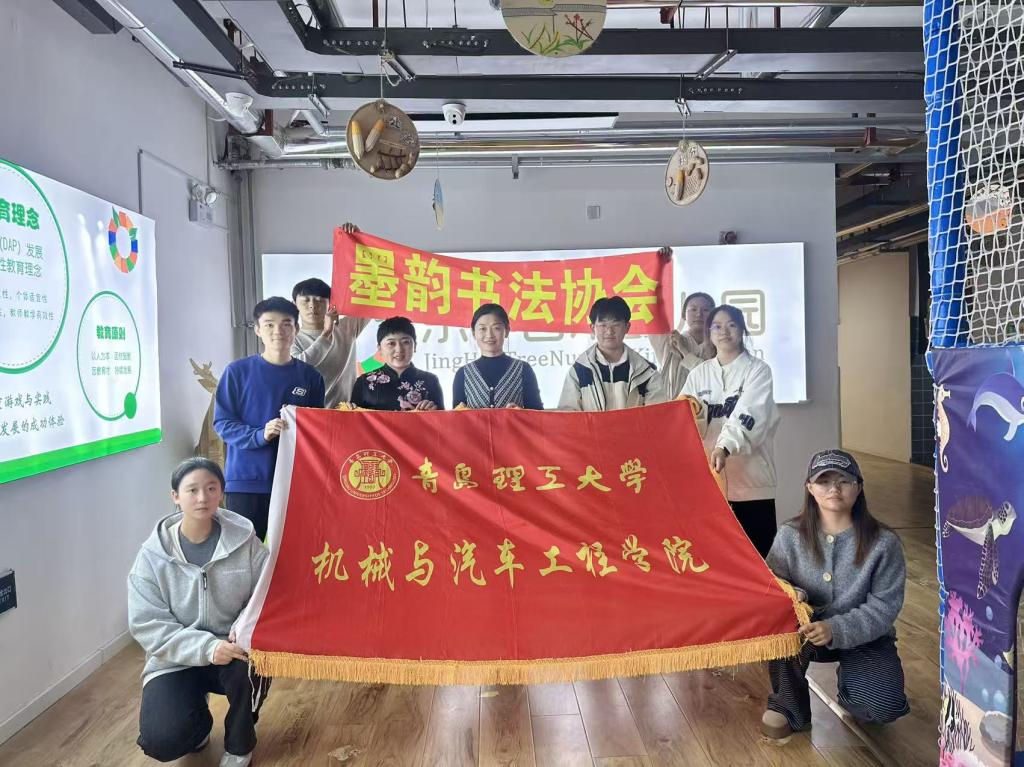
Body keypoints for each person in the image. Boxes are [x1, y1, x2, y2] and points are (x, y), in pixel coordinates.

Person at [128, 458, 270, 767]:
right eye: (192, 490)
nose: (203, 498)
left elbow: (266, 595)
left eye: (211, 488)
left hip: (233, 648)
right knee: (161, 740)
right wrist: (206, 647)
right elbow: (147, 624)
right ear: (175, 497)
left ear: (222, 492)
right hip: (176, 657)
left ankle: (240, 745)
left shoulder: (246, 542)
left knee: (251, 667)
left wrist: (241, 628)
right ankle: (196, 725)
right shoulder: (152, 557)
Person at [761, 449, 909, 739]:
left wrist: (836, 629)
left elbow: (884, 606)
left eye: (843, 481)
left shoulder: (884, 543)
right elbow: (772, 583)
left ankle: (852, 685)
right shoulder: (790, 535)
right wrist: (794, 593)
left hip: (865, 636)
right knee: (782, 628)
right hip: (804, 633)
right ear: (810, 488)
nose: (833, 489)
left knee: (882, 708)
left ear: (859, 487)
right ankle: (788, 706)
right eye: (823, 481)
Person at [214, 297, 325, 539]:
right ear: (257, 330)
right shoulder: (237, 372)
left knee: (294, 550)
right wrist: (259, 434)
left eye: (286, 324)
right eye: (269, 325)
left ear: (296, 329)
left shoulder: (311, 377)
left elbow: (318, 430)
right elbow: (223, 424)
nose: (278, 331)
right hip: (247, 482)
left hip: (295, 482)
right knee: (245, 552)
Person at [682, 304, 780, 556]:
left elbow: (750, 413)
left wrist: (724, 447)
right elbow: (683, 419)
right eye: (717, 326)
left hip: (752, 484)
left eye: (731, 325)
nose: (723, 332)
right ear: (709, 333)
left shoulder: (758, 370)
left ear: (742, 329)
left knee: (758, 558)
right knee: (715, 559)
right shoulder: (698, 374)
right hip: (709, 485)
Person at [558, 295, 667, 411]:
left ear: (627, 327)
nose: (609, 331)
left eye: (616, 324)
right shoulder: (579, 371)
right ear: (592, 328)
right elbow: (568, 414)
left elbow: (657, 415)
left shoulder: (647, 373)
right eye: (603, 325)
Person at [453, 303, 544, 409]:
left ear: (507, 331)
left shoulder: (523, 369)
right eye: (483, 329)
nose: (489, 335)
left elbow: (537, 414)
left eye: (496, 328)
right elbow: (456, 416)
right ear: (474, 333)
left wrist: (521, 413)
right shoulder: (463, 373)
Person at [350, 316, 445, 411]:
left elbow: (442, 419)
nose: (399, 349)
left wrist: (434, 412)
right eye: (391, 343)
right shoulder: (363, 382)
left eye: (405, 342)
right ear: (379, 349)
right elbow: (354, 419)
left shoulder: (431, 380)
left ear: (415, 346)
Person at [650, 291, 717, 398]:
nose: (699, 314)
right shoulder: (669, 342)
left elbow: (709, 376)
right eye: (693, 309)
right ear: (684, 315)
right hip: (673, 405)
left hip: (709, 406)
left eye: (705, 310)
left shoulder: (720, 345)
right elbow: (652, 316)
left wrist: (683, 349)